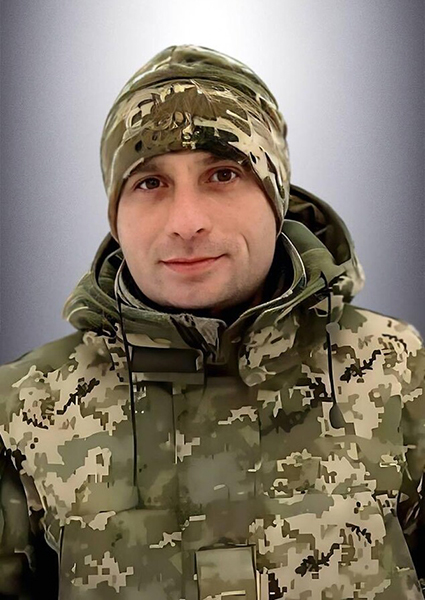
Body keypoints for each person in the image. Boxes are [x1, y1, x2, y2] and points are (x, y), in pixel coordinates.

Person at [0, 44, 423, 600]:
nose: (187, 221)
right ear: (116, 215)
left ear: (275, 198)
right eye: (150, 183)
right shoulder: (25, 408)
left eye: (223, 174)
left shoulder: (398, 371)